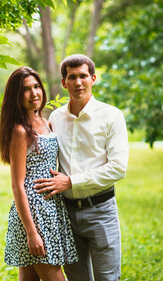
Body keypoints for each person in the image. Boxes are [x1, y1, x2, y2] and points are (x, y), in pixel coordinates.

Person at [33, 54, 129, 281]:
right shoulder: (55, 118)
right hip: (65, 213)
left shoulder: (112, 116)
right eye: (72, 77)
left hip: (101, 211)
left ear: (93, 78)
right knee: (77, 279)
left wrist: (71, 181)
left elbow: (118, 168)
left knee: (107, 278)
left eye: (83, 76)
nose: (78, 82)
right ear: (64, 82)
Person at [0, 67, 78, 281]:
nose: (34, 93)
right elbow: (17, 185)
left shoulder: (44, 122)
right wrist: (32, 232)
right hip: (34, 212)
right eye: (26, 89)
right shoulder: (20, 131)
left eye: (36, 87)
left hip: (52, 208)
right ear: (16, 96)